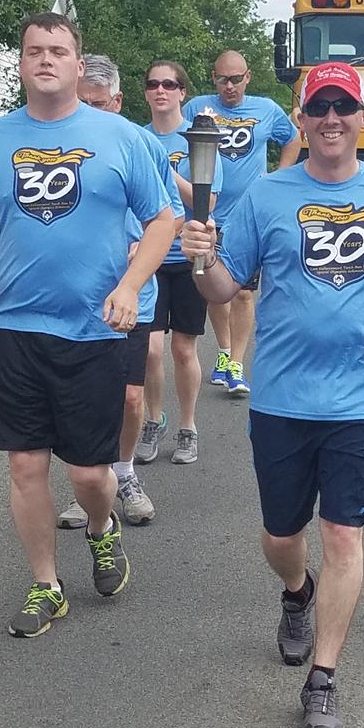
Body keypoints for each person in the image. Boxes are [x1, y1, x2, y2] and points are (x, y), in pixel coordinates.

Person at [181, 61, 364, 728]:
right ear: (300, 119)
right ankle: (297, 592)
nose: (331, 119)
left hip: (362, 399)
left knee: (343, 533)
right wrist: (198, 256)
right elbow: (223, 288)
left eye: (344, 106)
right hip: (280, 396)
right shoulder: (268, 195)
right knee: (280, 536)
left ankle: (324, 680)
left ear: (363, 119)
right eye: (319, 107)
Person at [0, 13, 175, 638]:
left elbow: (161, 220)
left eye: (58, 50)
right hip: (17, 328)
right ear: (21, 64)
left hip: (95, 328)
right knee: (25, 466)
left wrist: (131, 286)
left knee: (87, 473)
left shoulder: (119, 137)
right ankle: (46, 585)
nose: (45, 59)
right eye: (34, 51)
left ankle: (102, 530)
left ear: (79, 65)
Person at [56, 54, 185, 530]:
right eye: (81, 101)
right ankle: (90, 486)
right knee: (83, 399)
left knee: (131, 399)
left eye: (98, 103)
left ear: (117, 100)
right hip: (77, 296)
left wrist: (142, 245)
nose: (88, 110)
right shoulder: (64, 143)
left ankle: (124, 474)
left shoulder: (140, 143)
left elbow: (171, 213)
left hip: (134, 295)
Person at [183, 50, 302, 395]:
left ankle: (236, 363)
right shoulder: (197, 108)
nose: (230, 86)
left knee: (245, 294)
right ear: (213, 78)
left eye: (236, 79)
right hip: (208, 216)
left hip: (249, 216)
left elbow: (292, 138)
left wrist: (279, 178)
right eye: (223, 79)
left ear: (248, 77)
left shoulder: (265, 109)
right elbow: (179, 144)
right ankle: (222, 352)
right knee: (215, 291)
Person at [136, 60, 223, 465]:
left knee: (184, 350)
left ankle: (188, 426)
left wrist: (168, 172)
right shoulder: (136, 138)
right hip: (148, 258)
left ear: (182, 92)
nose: (161, 91)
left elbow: (207, 204)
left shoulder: (199, 138)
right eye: (153, 84)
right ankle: (155, 419)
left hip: (188, 256)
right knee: (151, 349)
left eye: (169, 84)